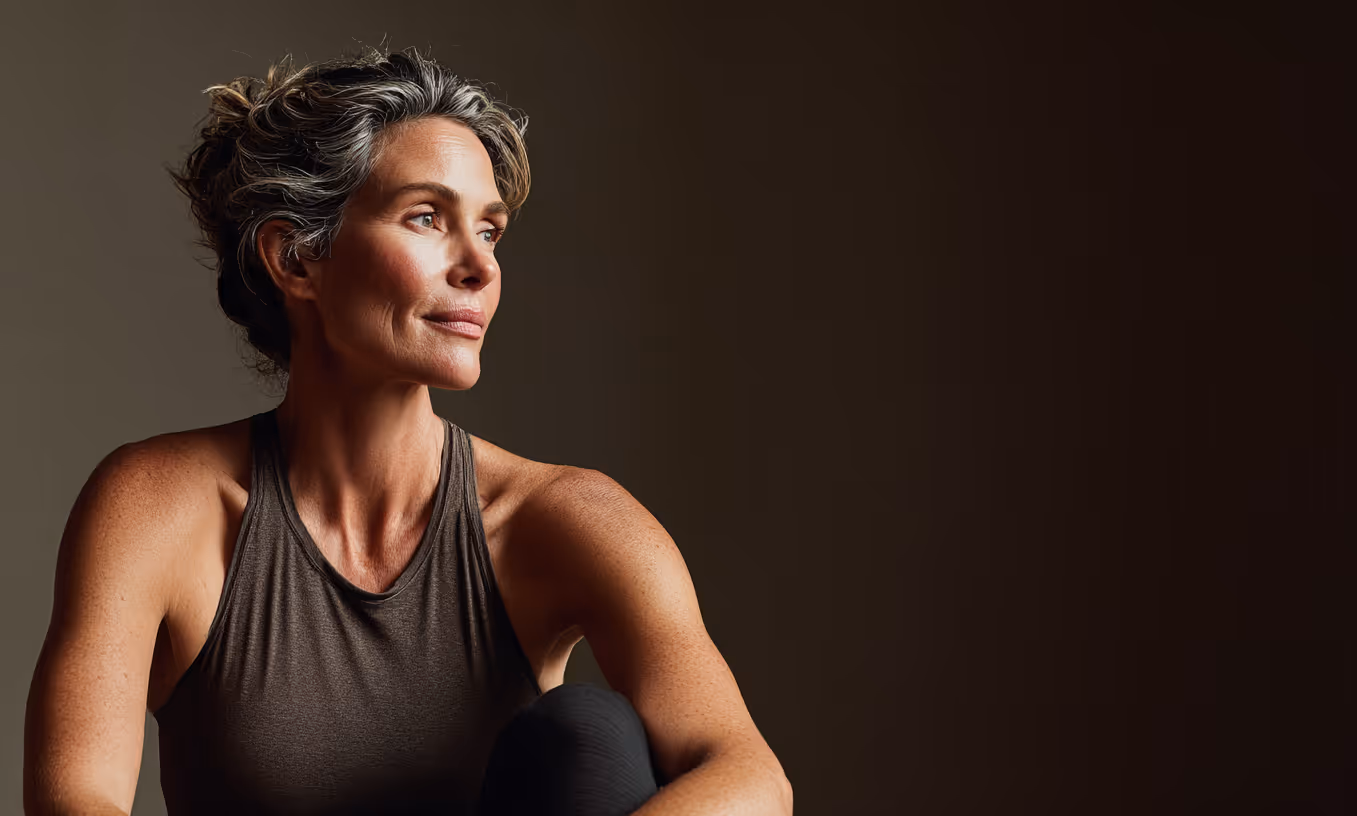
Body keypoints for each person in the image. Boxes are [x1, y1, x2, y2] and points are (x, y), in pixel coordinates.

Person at [22, 46, 792, 816]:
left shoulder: (560, 518)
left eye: (489, 231)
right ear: (296, 260)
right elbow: (75, 798)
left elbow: (749, 776)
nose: (479, 269)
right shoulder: (159, 506)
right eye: (427, 217)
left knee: (587, 733)